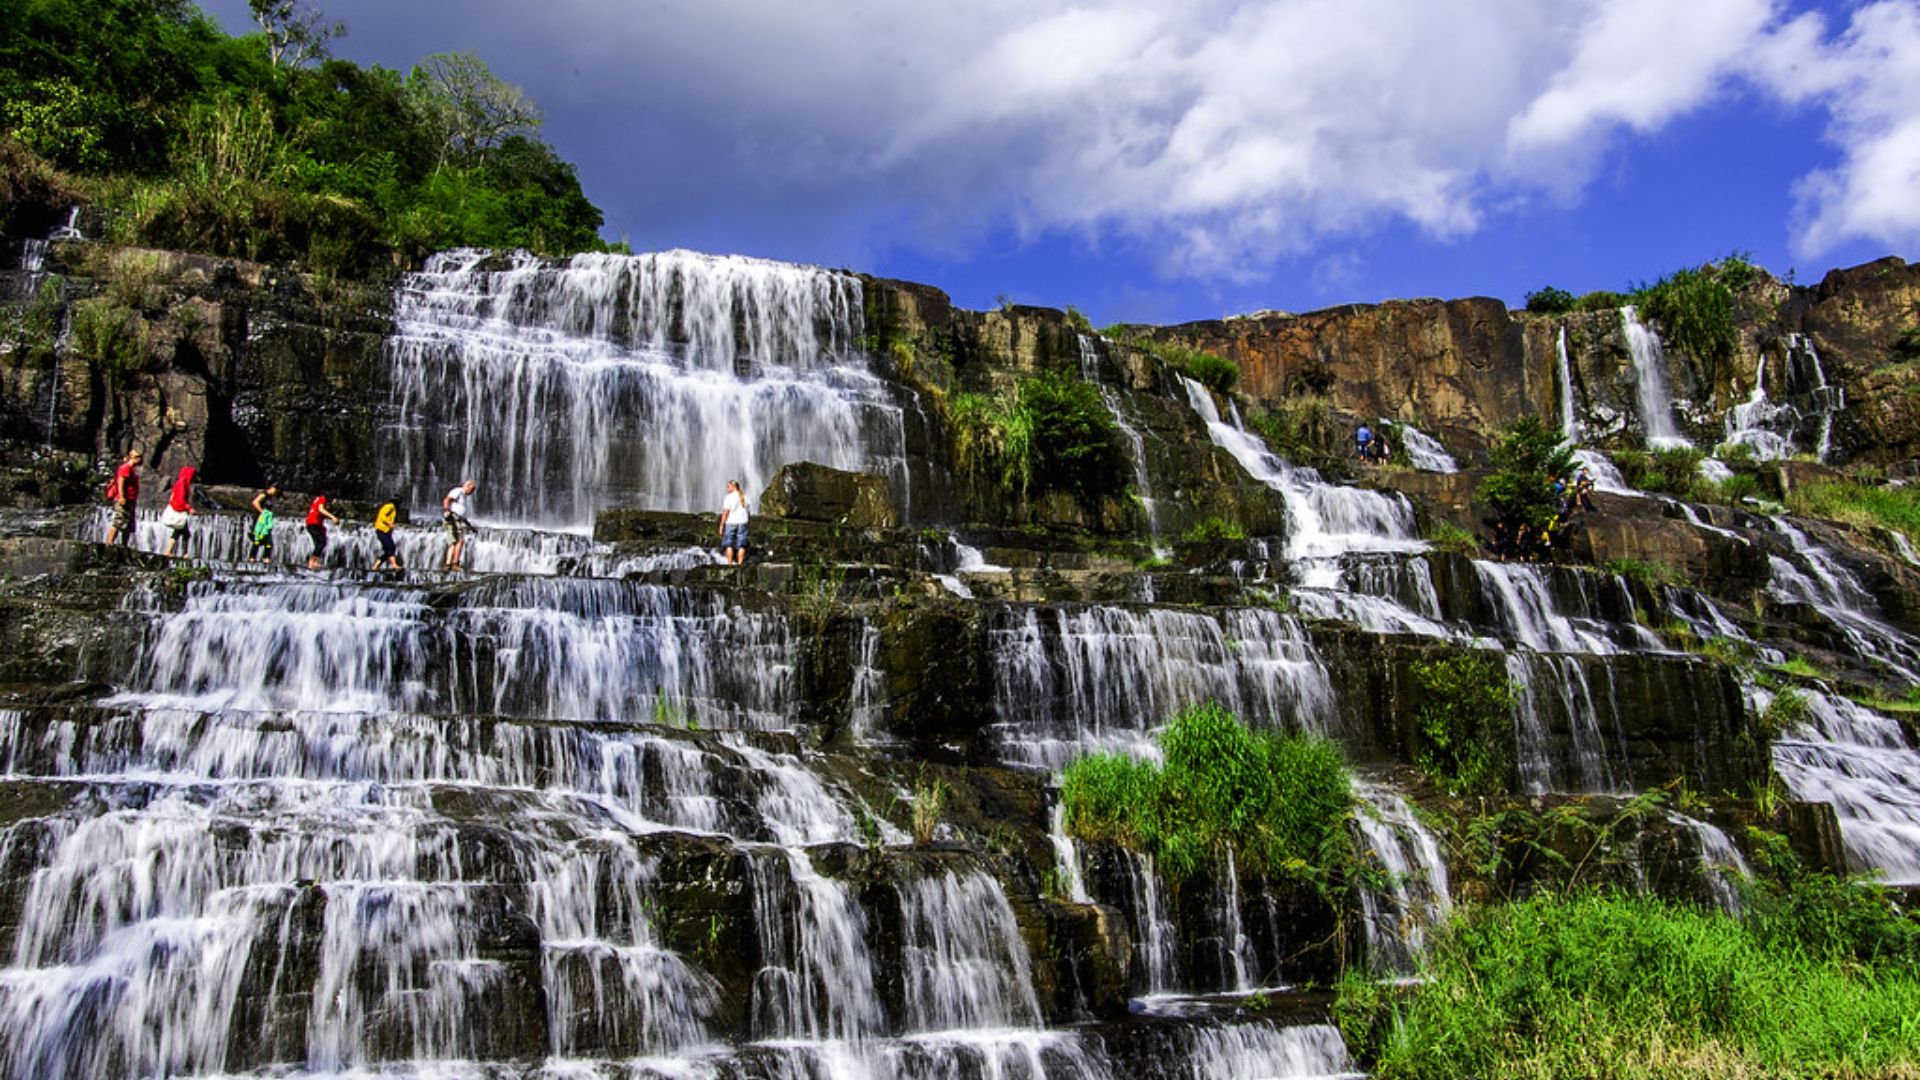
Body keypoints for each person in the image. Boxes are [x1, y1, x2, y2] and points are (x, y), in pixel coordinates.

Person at [103, 448, 142, 547]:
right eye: (140, 458)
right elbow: (120, 482)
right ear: (135, 458)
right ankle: (109, 543)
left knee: (128, 524)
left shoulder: (132, 469)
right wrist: (122, 496)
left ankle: (124, 545)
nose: (141, 460)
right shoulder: (125, 468)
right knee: (119, 521)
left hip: (131, 499)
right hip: (124, 498)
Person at [160, 465, 198, 557]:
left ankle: (174, 552)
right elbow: (180, 500)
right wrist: (189, 508)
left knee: (181, 532)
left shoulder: (181, 482)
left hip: (179, 509)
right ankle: (181, 553)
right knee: (183, 533)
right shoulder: (182, 484)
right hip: (179, 511)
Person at [442, 479, 476, 572]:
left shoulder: (463, 497)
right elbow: (447, 499)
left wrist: (471, 527)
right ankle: (455, 563)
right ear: (467, 486)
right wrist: (446, 510)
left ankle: (448, 564)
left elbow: (463, 516)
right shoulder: (458, 491)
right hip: (453, 517)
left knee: (453, 542)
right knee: (460, 541)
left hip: (457, 518)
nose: (472, 492)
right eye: (472, 490)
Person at [718, 479, 750, 566]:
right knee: (742, 545)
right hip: (743, 522)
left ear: (733, 486)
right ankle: (740, 564)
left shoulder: (729, 497)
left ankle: (729, 564)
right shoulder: (745, 497)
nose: (727, 488)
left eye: (728, 486)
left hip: (731, 522)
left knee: (729, 544)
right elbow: (748, 512)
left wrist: (721, 525)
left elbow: (725, 512)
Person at [305, 493, 339, 570]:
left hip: (311, 523)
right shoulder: (322, 499)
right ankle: (312, 562)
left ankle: (313, 561)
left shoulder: (318, 499)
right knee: (321, 543)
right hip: (314, 523)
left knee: (319, 543)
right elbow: (321, 509)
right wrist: (333, 517)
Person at [249, 485, 279, 564]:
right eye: (275, 489)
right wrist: (262, 512)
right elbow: (255, 502)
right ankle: (252, 557)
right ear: (270, 488)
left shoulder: (270, 498)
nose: (275, 491)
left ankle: (266, 557)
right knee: (258, 538)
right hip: (260, 521)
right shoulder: (263, 495)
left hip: (266, 522)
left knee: (268, 540)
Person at [374, 499, 404, 572]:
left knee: (390, 548)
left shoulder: (389, 506)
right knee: (390, 547)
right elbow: (382, 515)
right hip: (382, 530)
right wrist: (389, 523)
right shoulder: (390, 506)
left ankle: (376, 565)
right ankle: (394, 565)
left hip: (385, 531)